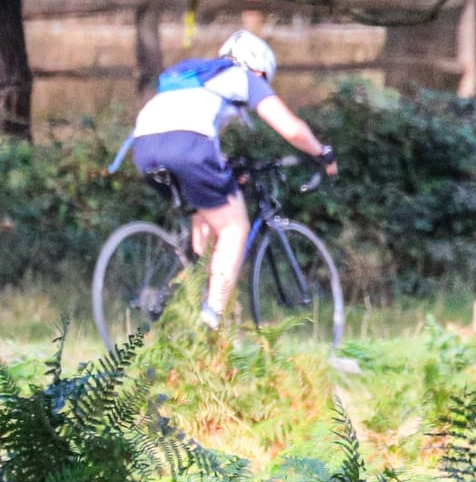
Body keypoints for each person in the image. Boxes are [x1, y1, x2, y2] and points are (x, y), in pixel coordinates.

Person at [130, 29, 338, 329]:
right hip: (188, 147)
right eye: (263, 79)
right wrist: (322, 152)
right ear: (257, 68)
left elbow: (190, 126)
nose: (262, 85)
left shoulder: (197, 73)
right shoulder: (243, 77)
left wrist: (225, 168)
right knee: (234, 226)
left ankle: (182, 291)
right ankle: (211, 318)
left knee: (208, 214)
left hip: (144, 146)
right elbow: (291, 129)